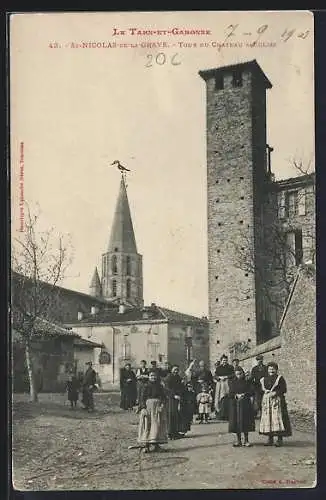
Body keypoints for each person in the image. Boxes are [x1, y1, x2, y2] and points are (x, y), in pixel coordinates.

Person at [259, 362, 292, 447]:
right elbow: (260, 389)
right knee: (268, 419)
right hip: (267, 402)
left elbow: (284, 389)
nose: (271, 370)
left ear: (276, 370)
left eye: (273, 369)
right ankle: (270, 439)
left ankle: (279, 440)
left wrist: (276, 393)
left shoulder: (280, 378)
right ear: (267, 370)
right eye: (270, 369)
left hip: (277, 402)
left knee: (278, 419)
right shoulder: (264, 379)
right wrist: (264, 391)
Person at [137, 370, 168, 453]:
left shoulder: (160, 386)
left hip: (157, 408)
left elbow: (164, 397)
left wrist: (162, 406)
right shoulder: (145, 386)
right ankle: (146, 446)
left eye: (154, 376)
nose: (153, 377)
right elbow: (141, 398)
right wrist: (143, 408)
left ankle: (156, 445)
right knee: (147, 425)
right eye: (151, 376)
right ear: (149, 377)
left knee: (157, 425)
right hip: (148, 408)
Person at [228, 367, 255, 447]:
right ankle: (238, 440)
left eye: (240, 374)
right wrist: (236, 395)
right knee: (236, 422)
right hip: (235, 405)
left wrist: (244, 394)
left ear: (243, 373)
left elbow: (251, 391)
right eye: (237, 374)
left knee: (245, 421)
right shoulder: (232, 382)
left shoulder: (247, 382)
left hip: (245, 404)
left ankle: (246, 440)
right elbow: (230, 393)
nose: (239, 376)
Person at [164, 365, 185, 439]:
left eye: (177, 370)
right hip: (170, 399)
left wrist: (182, 383)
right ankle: (170, 433)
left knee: (176, 415)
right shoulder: (168, 377)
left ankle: (175, 432)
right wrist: (173, 395)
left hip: (177, 398)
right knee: (171, 415)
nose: (176, 371)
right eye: (175, 370)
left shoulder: (178, 377)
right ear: (171, 370)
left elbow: (180, 387)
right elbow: (167, 389)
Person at [214, 354, 234, 420]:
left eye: (225, 360)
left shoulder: (230, 367)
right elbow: (215, 376)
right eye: (223, 360)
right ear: (221, 361)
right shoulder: (218, 368)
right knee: (220, 398)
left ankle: (228, 414)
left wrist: (227, 377)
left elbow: (233, 375)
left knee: (227, 397)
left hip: (228, 384)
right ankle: (220, 414)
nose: (224, 362)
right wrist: (219, 378)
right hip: (220, 384)